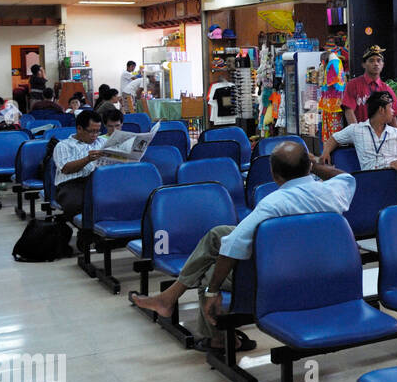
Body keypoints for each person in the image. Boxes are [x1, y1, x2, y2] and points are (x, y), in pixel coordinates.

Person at [128, 142, 356, 352]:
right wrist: (314, 166)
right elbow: (344, 176)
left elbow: (233, 245)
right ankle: (169, 298)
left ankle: (216, 338)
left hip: (281, 276)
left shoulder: (273, 204)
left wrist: (214, 290)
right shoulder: (333, 193)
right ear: (308, 167)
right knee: (217, 234)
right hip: (320, 268)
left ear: (275, 176)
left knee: (210, 274)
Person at [320, 90, 397, 172]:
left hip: (393, 178)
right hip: (368, 180)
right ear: (381, 110)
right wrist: (326, 152)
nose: (393, 111)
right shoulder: (356, 130)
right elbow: (335, 138)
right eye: (390, 107)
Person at [52, 110, 105, 220]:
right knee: (80, 203)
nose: (95, 135)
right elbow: (66, 169)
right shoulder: (64, 145)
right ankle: (85, 231)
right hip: (72, 184)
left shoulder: (102, 143)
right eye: (91, 131)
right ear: (79, 128)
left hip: (100, 181)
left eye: (97, 131)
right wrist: (87, 159)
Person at [341, 46, 396, 124]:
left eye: (379, 61)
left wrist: (396, 135)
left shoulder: (387, 89)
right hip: (359, 133)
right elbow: (349, 111)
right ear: (363, 64)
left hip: (380, 134)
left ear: (383, 64)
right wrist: (357, 132)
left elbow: (393, 117)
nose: (376, 64)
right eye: (371, 61)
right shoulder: (353, 85)